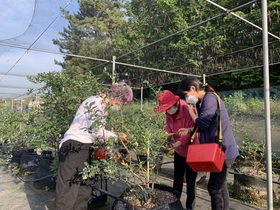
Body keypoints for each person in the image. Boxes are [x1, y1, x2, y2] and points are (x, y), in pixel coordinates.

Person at [55, 82, 133, 210]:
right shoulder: (95, 102)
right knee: (68, 190)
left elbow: (99, 135)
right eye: (122, 103)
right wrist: (117, 136)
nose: (120, 107)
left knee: (83, 188)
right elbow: (96, 131)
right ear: (116, 97)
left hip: (85, 147)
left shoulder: (102, 108)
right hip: (74, 146)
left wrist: (111, 149)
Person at [177, 77, 239, 210]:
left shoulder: (210, 98)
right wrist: (189, 129)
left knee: (214, 188)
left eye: (186, 95)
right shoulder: (201, 102)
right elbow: (206, 124)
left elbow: (203, 123)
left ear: (193, 88)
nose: (186, 98)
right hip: (218, 150)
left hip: (223, 151)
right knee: (220, 187)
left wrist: (190, 111)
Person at [154, 90, 199, 210]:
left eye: (168, 108)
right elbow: (169, 127)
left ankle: (190, 207)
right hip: (179, 150)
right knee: (177, 178)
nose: (168, 111)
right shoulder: (169, 113)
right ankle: (175, 204)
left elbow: (191, 132)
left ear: (176, 103)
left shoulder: (188, 109)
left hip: (192, 150)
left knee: (190, 181)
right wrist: (163, 137)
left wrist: (175, 144)